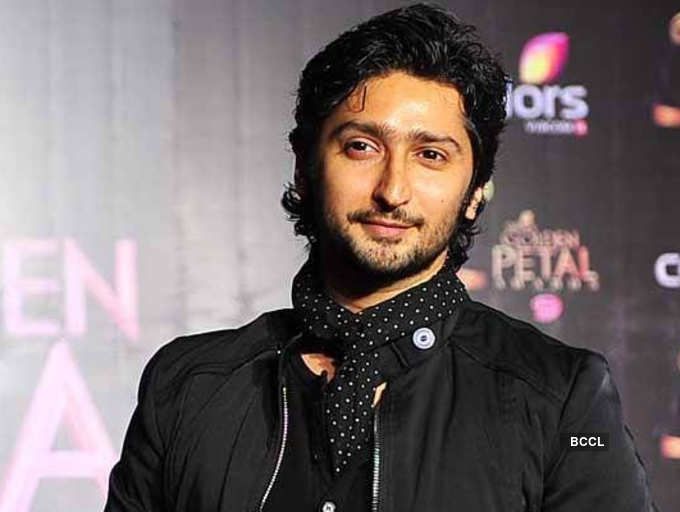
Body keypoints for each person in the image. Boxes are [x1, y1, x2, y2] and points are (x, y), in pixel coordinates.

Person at [105, 4, 657, 511]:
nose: (393, 190)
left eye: (431, 155)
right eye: (362, 147)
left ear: (474, 191)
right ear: (304, 166)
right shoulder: (189, 386)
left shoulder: (562, 401)